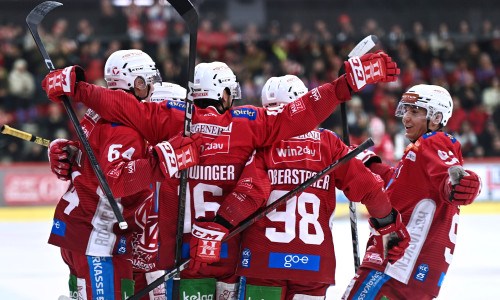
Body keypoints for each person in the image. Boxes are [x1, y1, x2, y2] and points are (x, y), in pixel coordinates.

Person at [42, 52, 400, 299]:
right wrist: (345, 86)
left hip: (172, 254)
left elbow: (123, 108)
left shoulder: (170, 117)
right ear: (227, 95)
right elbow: (298, 117)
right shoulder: (250, 124)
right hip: (227, 251)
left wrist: (79, 91)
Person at [189, 75, 410, 300]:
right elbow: (369, 188)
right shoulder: (329, 143)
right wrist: (388, 225)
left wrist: (219, 225)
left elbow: (251, 192)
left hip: (263, 260)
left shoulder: (262, 146)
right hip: (313, 265)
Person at [45, 49, 201, 299]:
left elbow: (89, 161)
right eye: (148, 81)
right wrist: (165, 159)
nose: (152, 89)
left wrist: (67, 152)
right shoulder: (125, 127)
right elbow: (115, 179)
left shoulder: (97, 115)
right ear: (136, 83)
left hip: (93, 233)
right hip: (96, 236)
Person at [341, 84, 482, 300]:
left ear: (435, 118)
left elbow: (451, 179)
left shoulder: (432, 141)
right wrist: (365, 161)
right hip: (413, 276)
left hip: (397, 269)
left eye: (414, 112)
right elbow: (395, 181)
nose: (405, 118)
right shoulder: (417, 153)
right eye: (405, 110)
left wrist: (463, 183)